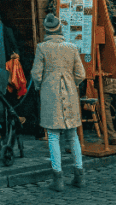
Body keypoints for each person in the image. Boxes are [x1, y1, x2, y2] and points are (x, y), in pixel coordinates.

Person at [30, 13, 86, 191]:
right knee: (73, 135)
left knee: (53, 136)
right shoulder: (71, 47)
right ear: (60, 29)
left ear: (46, 30)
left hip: (50, 93)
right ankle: (79, 174)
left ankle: (58, 178)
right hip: (70, 93)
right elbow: (81, 74)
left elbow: (36, 74)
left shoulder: (42, 48)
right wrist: (71, 83)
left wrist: (40, 86)